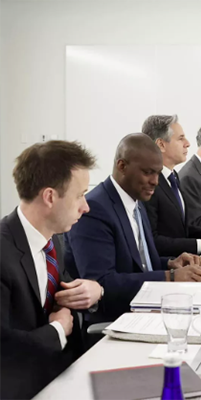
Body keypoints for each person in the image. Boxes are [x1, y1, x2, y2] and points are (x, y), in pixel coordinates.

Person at [65, 134, 201, 324]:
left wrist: (170, 264)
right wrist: (170, 276)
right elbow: (101, 282)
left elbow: (140, 264)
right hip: (118, 319)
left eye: (157, 173)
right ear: (122, 166)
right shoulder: (94, 209)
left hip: (148, 307)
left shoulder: (136, 201)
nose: (155, 181)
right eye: (148, 172)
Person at [0, 141, 102, 400]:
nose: (86, 206)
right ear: (49, 197)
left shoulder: (53, 239)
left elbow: (61, 291)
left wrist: (91, 292)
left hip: (66, 376)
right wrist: (57, 330)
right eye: (80, 195)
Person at [141, 115, 201, 257]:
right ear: (161, 144)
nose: (188, 143)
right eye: (181, 138)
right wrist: (200, 244)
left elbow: (182, 227)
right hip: (170, 264)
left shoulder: (173, 176)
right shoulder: (149, 184)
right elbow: (152, 241)